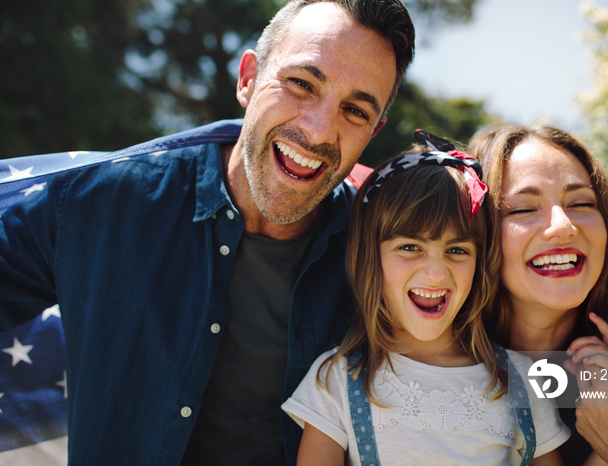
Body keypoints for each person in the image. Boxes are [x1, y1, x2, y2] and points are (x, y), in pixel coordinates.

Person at [0, 0, 415, 464]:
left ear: (374, 132)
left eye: (354, 111)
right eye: (300, 84)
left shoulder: (388, 261)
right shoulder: (98, 201)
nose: (318, 131)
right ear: (248, 79)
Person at [281, 132, 571, 465]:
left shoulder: (521, 380)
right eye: (409, 247)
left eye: (457, 250)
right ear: (369, 257)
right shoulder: (335, 379)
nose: (435, 273)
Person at [468, 123, 608, 466]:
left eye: (581, 203)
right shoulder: (417, 362)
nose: (563, 226)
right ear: (474, 233)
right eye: (522, 209)